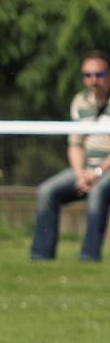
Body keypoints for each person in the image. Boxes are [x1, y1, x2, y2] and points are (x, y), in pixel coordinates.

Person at [30, 49, 110, 261]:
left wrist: (98, 172)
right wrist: (80, 174)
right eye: (87, 75)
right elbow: (75, 145)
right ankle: (40, 257)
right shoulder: (79, 102)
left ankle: (89, 257)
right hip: (86, 168)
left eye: (99, 74)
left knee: (98, 191)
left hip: (107, 170)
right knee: (46, 191)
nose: (93, 80)